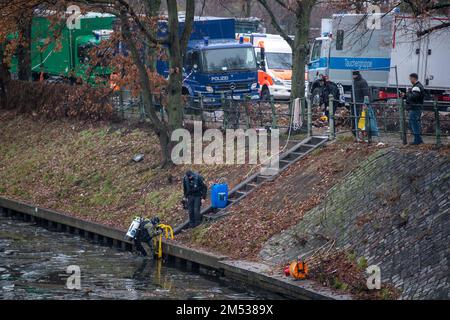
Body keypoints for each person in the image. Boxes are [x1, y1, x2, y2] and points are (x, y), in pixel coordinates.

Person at [403, 73, 425, 145]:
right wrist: (406, 94)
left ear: (413, 78)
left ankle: (417, 140)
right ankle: (418, 139)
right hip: (416, 107)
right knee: (414, 123)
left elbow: (414, 97)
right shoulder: (417, 86)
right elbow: (413, 95)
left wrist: (408, 94)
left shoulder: (416, 87)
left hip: (415, 108)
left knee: (414, 124)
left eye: (410, 79)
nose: (410, 80)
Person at [351, 71, 371, 136]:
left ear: (356, 75)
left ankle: (360, 132)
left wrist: (365, 103)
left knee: (360, 118)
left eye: (353, 75)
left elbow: (366, 93)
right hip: (354, 103)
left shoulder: (362, 82)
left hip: (360, 103)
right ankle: (355, 132)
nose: (353, 76)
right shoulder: (354, 82)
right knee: (355, 118)